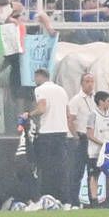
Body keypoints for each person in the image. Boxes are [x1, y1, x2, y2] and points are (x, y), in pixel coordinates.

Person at [30, 64, 74, 206]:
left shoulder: (40, 89)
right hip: (62, 132)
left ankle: (47, 197)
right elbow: (68, 113)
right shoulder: (61, 90)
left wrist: (29, 114)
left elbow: (42, 108)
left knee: (46, 167)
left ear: (39, 77)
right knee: (61, 167)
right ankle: (63, 198)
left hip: (47, 133)